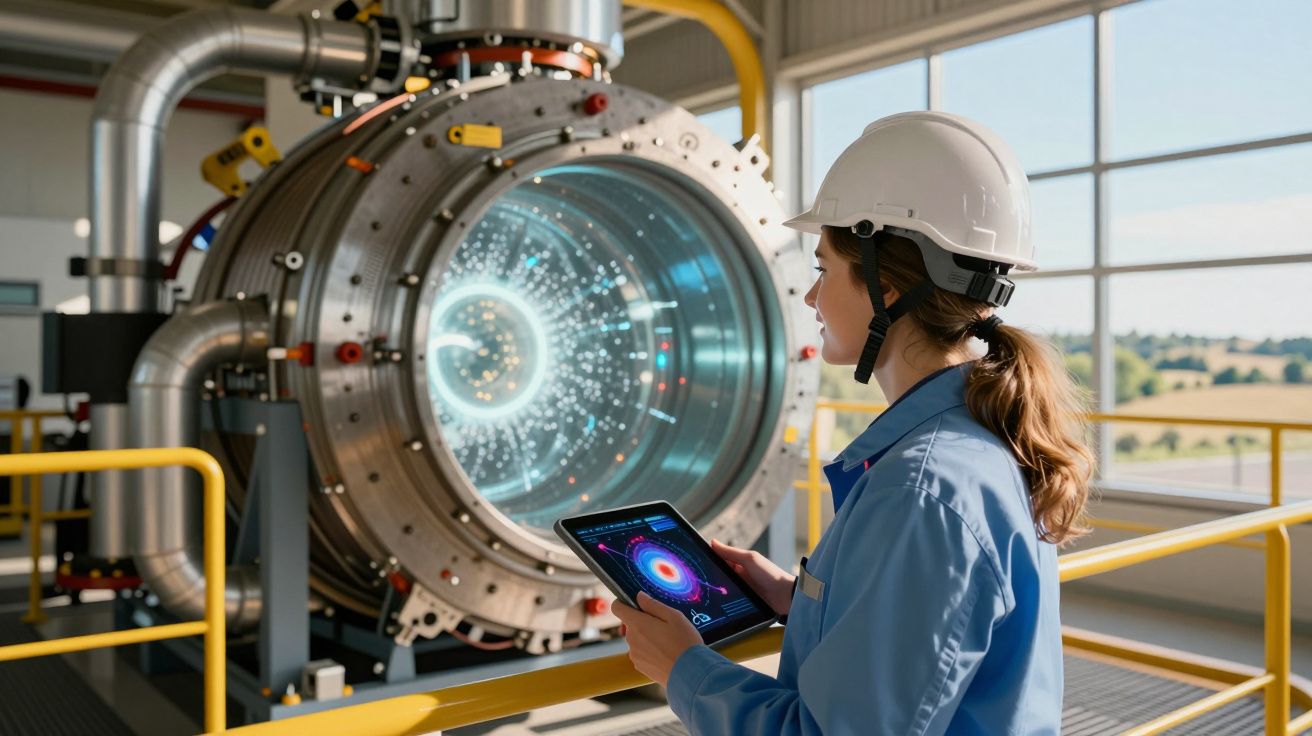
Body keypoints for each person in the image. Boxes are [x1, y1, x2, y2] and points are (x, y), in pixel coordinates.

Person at [612, 111, 1095, 735]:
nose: (811, 297)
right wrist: (804, 599)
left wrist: (683, 668)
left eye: (823, 268)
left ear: (884, 286)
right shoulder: (975, 442)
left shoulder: (921, 491)